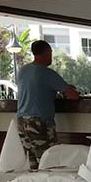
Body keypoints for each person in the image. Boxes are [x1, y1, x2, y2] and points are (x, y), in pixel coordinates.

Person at [16, 40, 79, 169]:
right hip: (39, 122)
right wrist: (68, 89)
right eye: (50, 53)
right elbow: (73, 95)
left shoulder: (23, 70)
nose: (51, 57)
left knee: (31, 161)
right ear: (46, 53)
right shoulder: (47, 73)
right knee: (48, 160)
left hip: (22, 121)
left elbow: (35, 89)